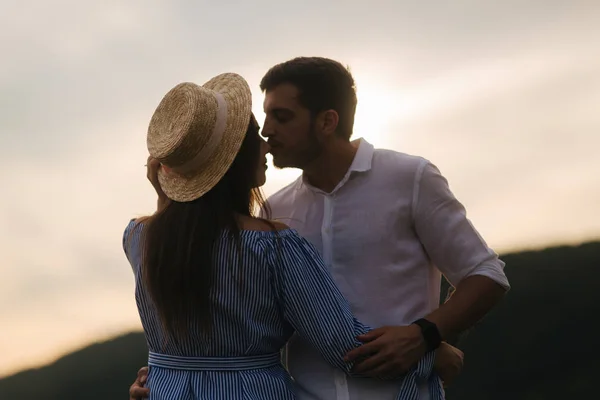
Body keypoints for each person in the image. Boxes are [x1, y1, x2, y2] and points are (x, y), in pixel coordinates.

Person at [124, 73, 463, 400]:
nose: (266, 144)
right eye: (255, 134)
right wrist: (428, 349)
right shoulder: (274, 247)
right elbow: (345, 347)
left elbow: (184, 330)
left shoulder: (139, 238)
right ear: (235, 160)